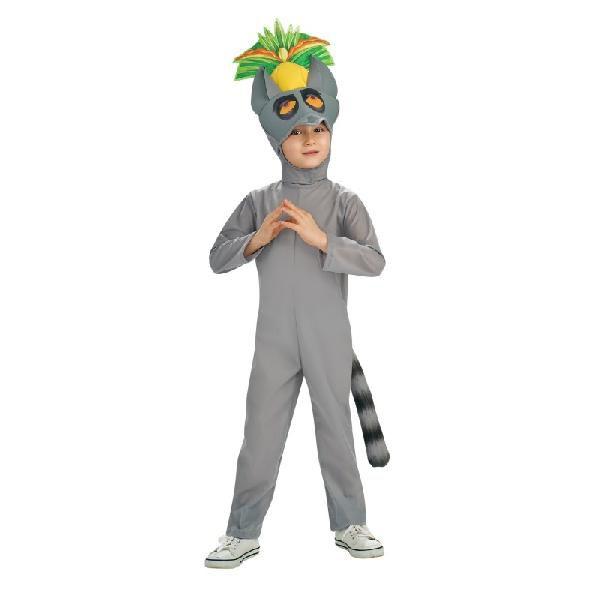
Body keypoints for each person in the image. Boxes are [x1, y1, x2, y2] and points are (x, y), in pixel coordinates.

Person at [205, 22, 388, 569]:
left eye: (320, 128)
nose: (311, 138)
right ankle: (242, 531)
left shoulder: (345, 202)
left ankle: (350, 523)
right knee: (260, 434)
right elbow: (217, 257)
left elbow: (375, 260)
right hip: (275, 341)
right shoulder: (259, 201)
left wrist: (322, 239)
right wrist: (257, 239)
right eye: (298, 131)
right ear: (277, 140)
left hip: (330, 335)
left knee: (336, 429)